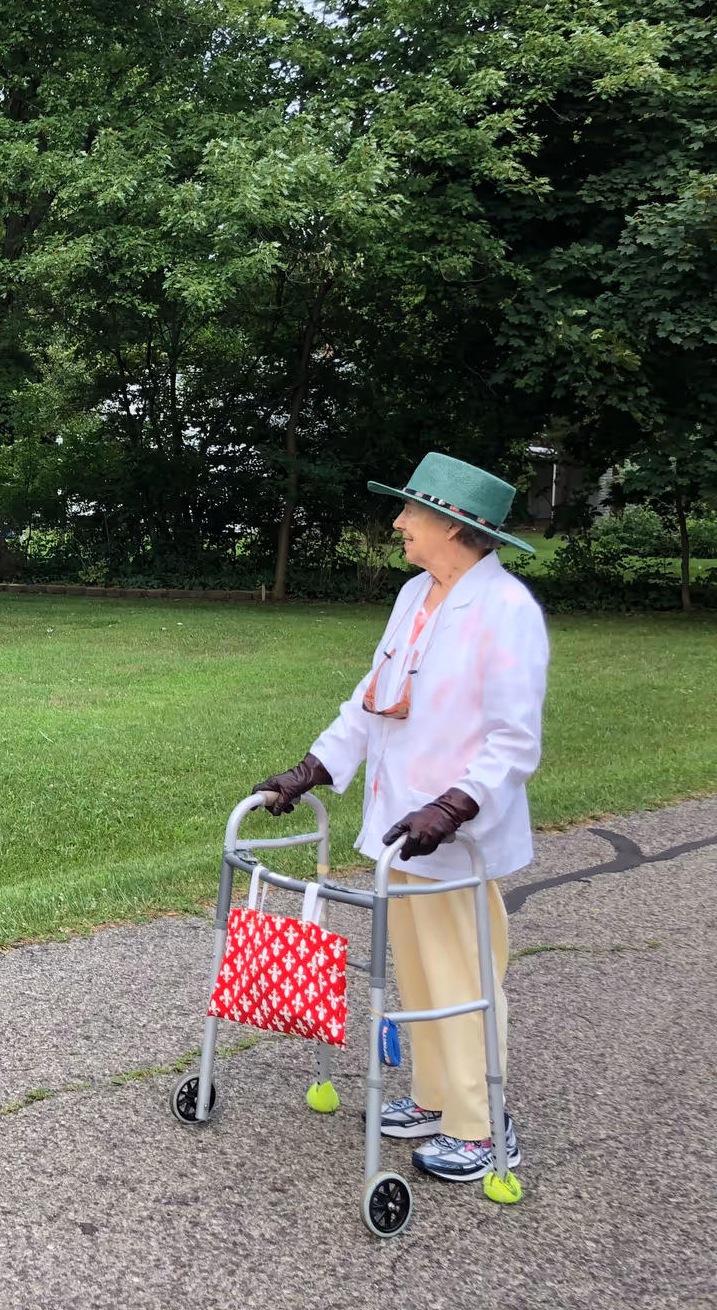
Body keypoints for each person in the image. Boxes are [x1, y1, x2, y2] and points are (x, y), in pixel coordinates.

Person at [253, 452, 549, 1184]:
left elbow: (515, 739)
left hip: (453, 837)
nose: (399, 524)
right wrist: (313, 767)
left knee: (463, 979)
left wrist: (454, 806)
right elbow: (372, 694)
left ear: (452, 526)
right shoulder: (418, 593)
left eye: (411, 513)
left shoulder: (506, 610)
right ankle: (431, 1097)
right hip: (400, 830)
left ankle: (483, 1129)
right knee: (416, 978)